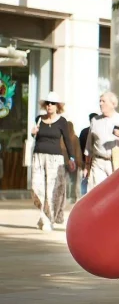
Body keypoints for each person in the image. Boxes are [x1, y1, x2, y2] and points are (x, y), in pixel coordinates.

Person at [28, 92, 78, 231]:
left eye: (53, 103)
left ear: (58, 106)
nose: (49, 105)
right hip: (38, 157)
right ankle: (44, 215)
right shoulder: (38, 119)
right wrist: (33, 134)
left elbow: (67, 140)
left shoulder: (62, 121)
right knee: (36, 188)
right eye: (48, 103)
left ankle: (47, 219)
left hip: (55, 159)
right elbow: (35, 137)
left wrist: (72, 158)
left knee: (52, 190)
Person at [86, 92, 119, 190]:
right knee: (98, 192)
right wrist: (87, 166)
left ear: (112, 104)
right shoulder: (95, 121)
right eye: (100, 101)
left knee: (116, 191)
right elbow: (89, 145)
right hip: (98, 162)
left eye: (103, 101)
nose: (100, 103)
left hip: (116, 162)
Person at [78, 112, 99, 197]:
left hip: (85, 158)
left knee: (85, 178)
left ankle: (84, 195)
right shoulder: (95, 132)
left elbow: (80, 146)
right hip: (94, 158)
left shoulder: (84, 131)